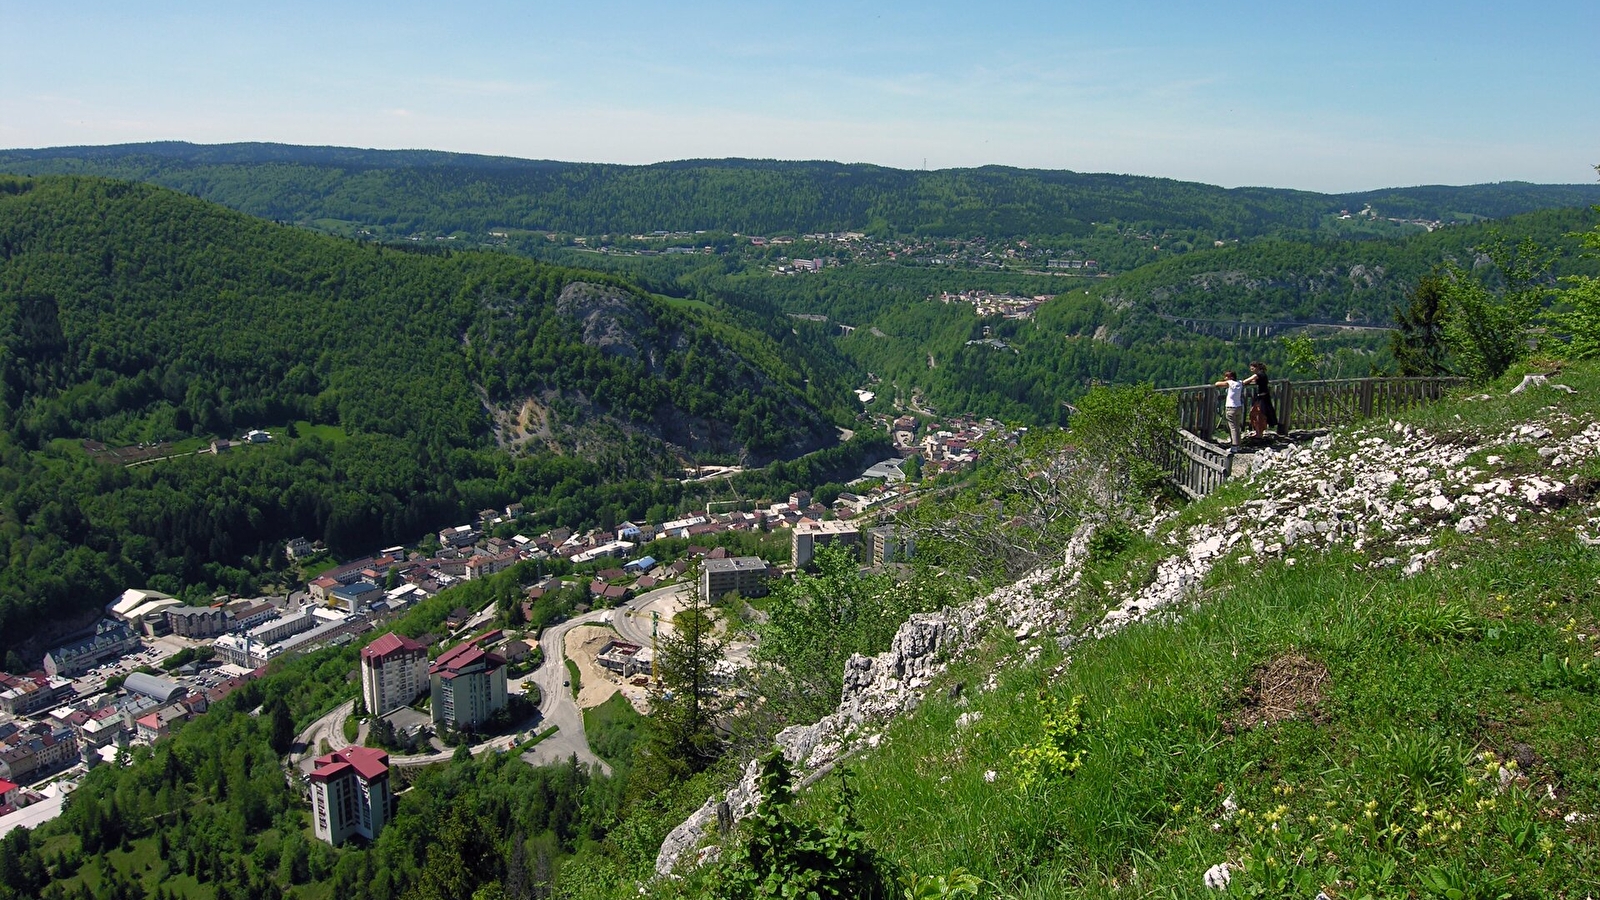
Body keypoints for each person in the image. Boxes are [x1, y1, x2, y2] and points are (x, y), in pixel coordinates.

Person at [1241, 361, 1278, 439]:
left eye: (1253, 367)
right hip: (1261, 396)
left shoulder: (1259, 374)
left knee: (1259, 415)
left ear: (1257, 367)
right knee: (1256, 414)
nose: (1251, 369)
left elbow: (1246, 381)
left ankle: (1259, 433)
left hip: (1262, 397)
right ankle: (1258, 432)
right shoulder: (1262, 374)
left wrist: (1241, 383)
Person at [1213, 370, 1245, 450]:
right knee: (1237, 427)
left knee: (1232, 427)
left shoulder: (1230, 382)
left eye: (1226, 377)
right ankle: (1238, 445)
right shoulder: (1239, 383)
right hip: (1239, 406)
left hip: (1231, 407)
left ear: (1231, 377)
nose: (1225, 378)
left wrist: (1226, 382)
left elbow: (1217, 384)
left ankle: (1234, 446)